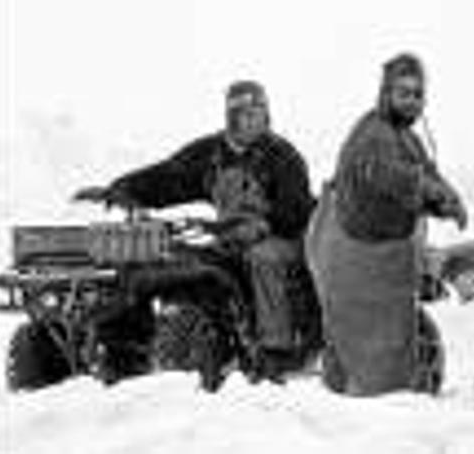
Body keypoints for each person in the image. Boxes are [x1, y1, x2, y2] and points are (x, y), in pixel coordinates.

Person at [74, 80, 322, 381]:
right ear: (231, 116)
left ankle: (276, 350)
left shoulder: (283, 156)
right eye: (245, 113)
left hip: (283, 236)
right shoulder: (211, 154)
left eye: (259, 111)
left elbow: (295, 209)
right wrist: (122, 190)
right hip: (230, 234)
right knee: (191, 260)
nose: (254, 119)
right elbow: (168, 176)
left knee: (262, 258)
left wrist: (262, 225)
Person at [306, 53, 467, 396]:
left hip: (384, 255)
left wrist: (447, 197)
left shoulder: (408, 137)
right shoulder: (374, 134)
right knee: (368, 362)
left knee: (388, 347)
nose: (412, 101)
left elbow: (426, 174)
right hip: (351, 254)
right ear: (385, 94)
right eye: (403, 93)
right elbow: (393, 177)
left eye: (417, 94)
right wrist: (433, 193)